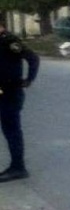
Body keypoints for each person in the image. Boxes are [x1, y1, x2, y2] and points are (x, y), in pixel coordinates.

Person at [0, 20, 39, 181]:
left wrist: (29, 79)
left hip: (10, 92)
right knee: (8, 129)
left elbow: (33, 58)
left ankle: (18, 167)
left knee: (12, 130)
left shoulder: (9, 40)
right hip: (2, 91)